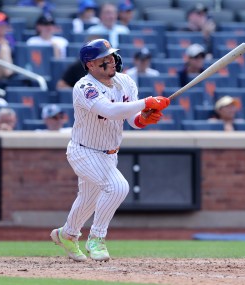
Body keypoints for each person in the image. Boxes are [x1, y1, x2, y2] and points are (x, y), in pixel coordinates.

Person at [50, 39, 170, 262]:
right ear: (91, 65)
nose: (112, 61)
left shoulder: (125, 81)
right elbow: (110, 110)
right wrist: (147, 103)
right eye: (105, 59)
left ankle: (67, 234)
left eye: (112, 56)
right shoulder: (84, 87)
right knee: (118, 187)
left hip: (110, 152)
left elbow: (131, 119)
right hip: (84, 150)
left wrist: (144, 118)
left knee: (87, 200)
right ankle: (96, 238)